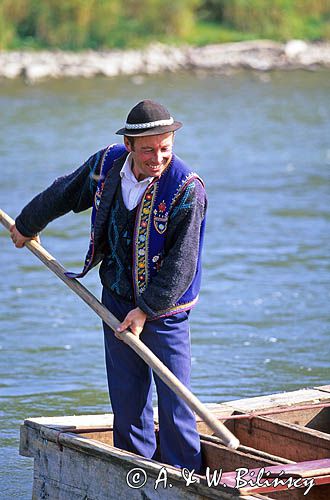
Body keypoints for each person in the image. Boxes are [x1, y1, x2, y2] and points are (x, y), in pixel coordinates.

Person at [10, 99, 207, 472]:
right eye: (148, 149)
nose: (157, 158)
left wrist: (145, 310)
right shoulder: (106, 165)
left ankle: (186, 478)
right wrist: (28, 223)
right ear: (129, 146)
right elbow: (67, 192)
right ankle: (136, 475)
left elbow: (183, 265)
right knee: (128, 402)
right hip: (115, 302)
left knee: (176, 402)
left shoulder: (187, 190)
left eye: (165, 148)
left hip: (165, 313)